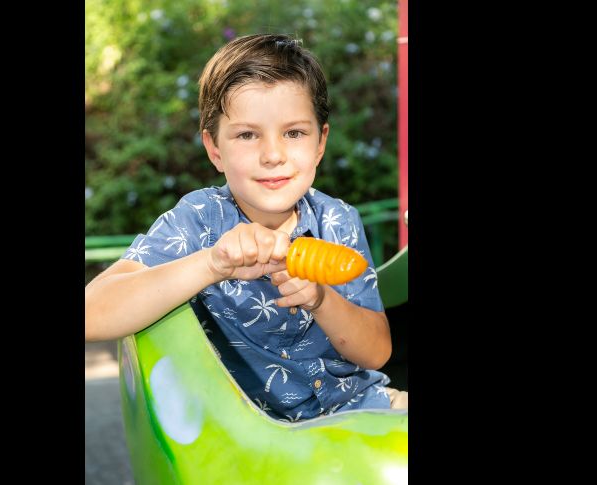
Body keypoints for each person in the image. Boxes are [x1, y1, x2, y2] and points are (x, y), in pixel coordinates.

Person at [85, 33, 407, 421]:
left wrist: (322, 300)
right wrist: (212, 264)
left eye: (294, 133)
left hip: (359, 407)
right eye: (247, 135)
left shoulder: (338, 220)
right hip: (252, 437)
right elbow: (92, 314)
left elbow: (376, 352)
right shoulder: (200, 219)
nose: (273, 155)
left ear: (320, 143)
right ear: (214, 148)